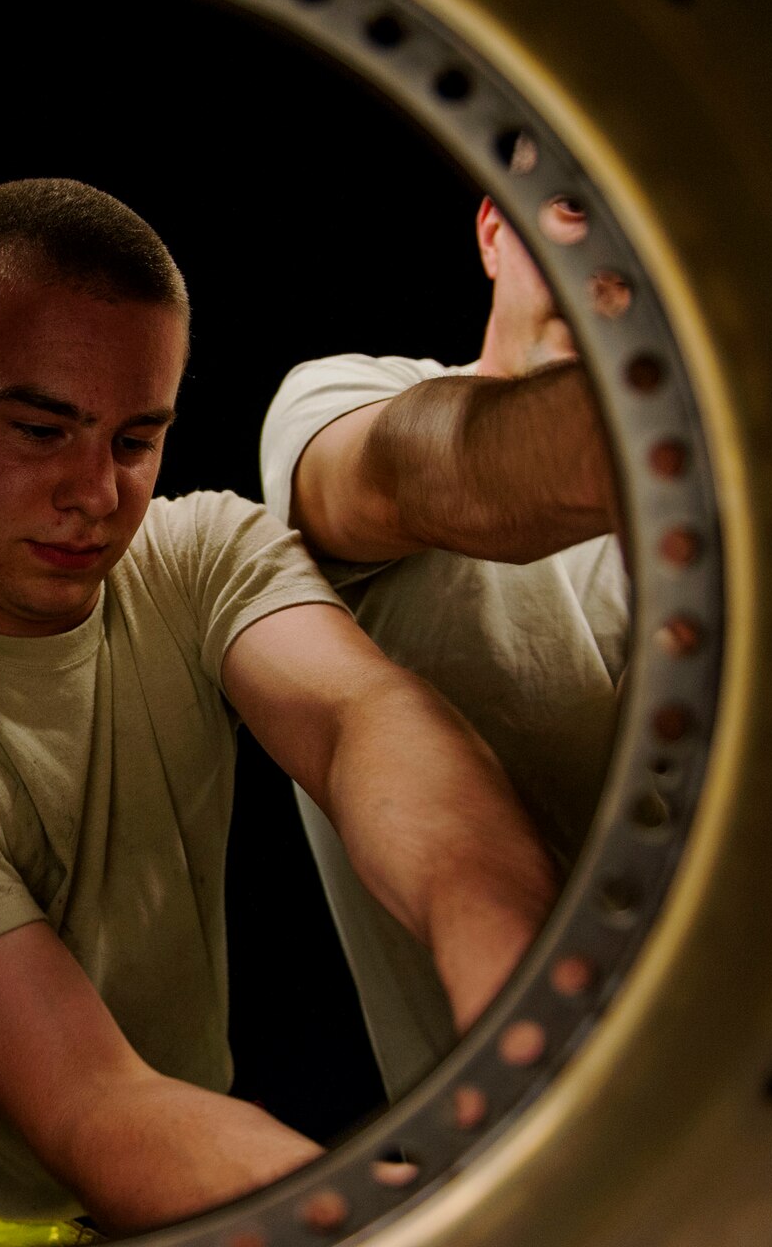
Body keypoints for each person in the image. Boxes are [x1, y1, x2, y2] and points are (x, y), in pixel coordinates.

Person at [0, 179, 559, 1245]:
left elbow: (368, 725)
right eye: (40, 428)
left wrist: (532, 1011)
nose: (94, 490)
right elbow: (92, 1101)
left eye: (134, 439)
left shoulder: (198, 551)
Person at [258, 194, 629, 1099]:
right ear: (494, 231)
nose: (608, 261)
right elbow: (439, 473)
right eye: (577, 209)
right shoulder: (337, 402)